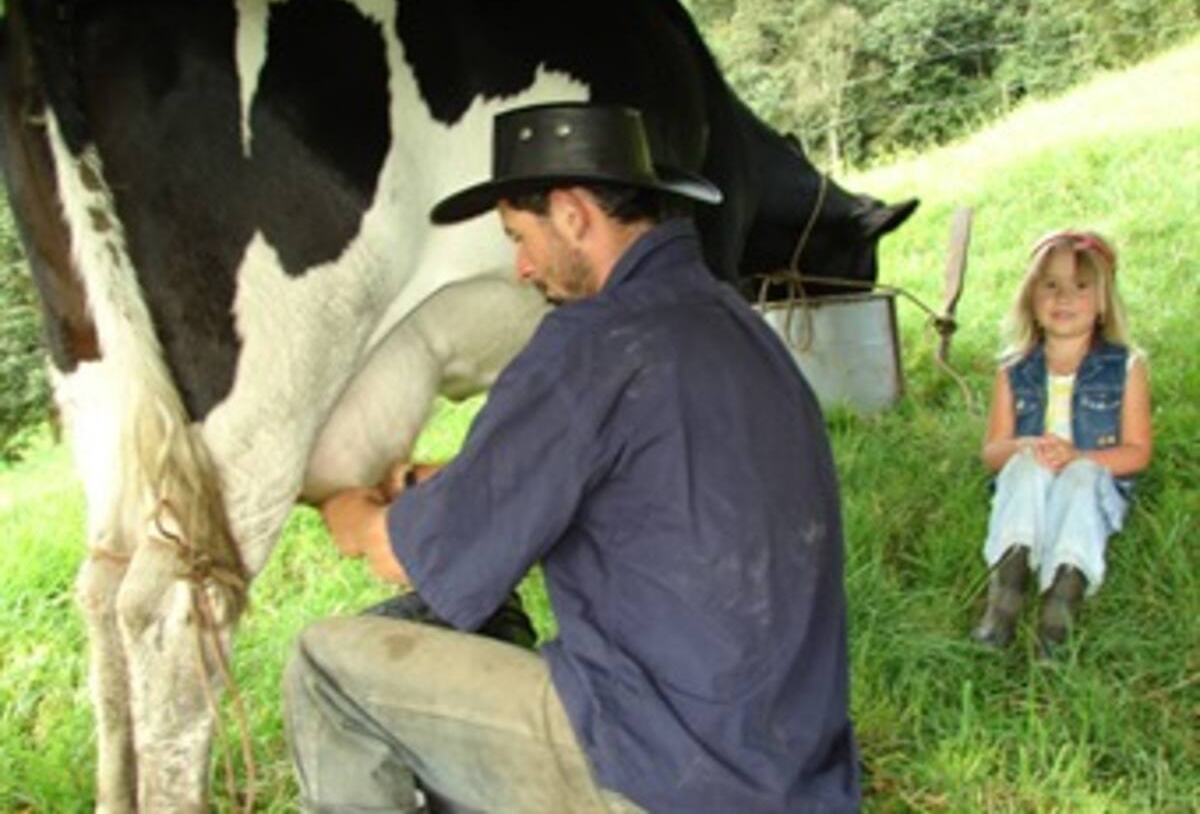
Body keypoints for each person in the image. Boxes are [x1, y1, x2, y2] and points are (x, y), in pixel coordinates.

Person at [284, 102, 861, 812]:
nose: (521, 267)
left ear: (572, 212)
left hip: (668, 771)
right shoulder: (731, 324)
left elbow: (397, 552)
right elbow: (646, 481)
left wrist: (341, 500)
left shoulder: (590, 345)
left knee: (326, 668)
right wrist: (461, 486)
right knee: (485, 610)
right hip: (787, 766)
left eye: (518, 237)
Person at [973, 229, 1152, 656]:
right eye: (1050, 286)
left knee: (1081, 478)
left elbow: (1138, 452)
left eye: (1080, 287)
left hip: (1093, 477)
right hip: (1033, 475)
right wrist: (1027, 446)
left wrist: (1078, 456)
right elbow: (992, 452)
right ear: (1030, 299)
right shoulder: (1013, 371)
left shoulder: (1126, 366)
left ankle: (1061, 601)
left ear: (1103, 300)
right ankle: (1007, 591)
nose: (1063, 299)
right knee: (1026, 469)